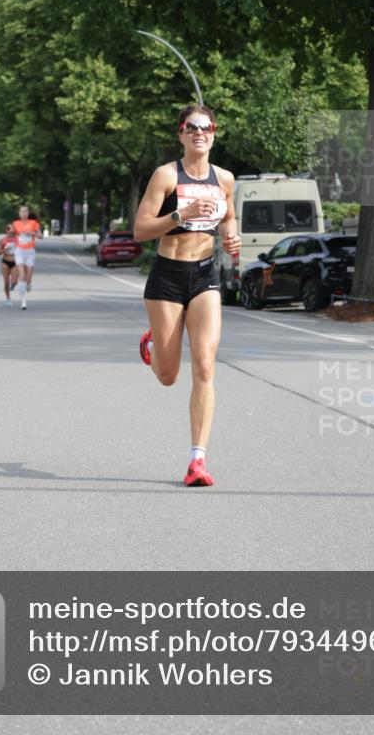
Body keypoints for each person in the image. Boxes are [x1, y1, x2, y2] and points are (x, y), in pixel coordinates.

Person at [134, 105, 242, 487]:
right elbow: (140, 230)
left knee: (205, 365)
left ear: (214, 133)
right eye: (191, 127)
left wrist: (231, 237)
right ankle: (155, 340)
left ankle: (197, 460)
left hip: (204, 276)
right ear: (181, 134)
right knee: (167, 375)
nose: (200, 133)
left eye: (206, 127)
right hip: (167, 277)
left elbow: (228, 218)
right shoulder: (166, 176)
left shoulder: (225, 179)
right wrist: (182, 215)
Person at [10, 205, 43, 310]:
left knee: (28, 279)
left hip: (30, 252)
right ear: (19, 213)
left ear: (28, 213)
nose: (23, 213)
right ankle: (23, 301)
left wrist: (32, 233)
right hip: (19, 251)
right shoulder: (15, 224)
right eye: (21, 211)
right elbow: (10, 234)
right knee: (22, 276)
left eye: (25, 211)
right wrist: (11, 232)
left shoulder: (33, 223)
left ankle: (28, 284)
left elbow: (41, 236)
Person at [0, 224, 17, 306]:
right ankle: (8, 299)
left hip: (15, 262)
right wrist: (5, 249)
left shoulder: (18, 240)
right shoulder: (2, 240)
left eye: (11, 228)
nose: (10, 230)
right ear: (6, 230)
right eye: (8, 228)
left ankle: (13, 285)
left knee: (14, 281)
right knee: (6, 282)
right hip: (5, 262)